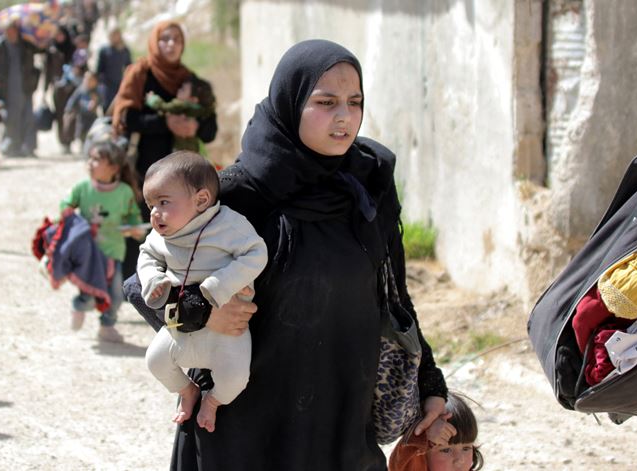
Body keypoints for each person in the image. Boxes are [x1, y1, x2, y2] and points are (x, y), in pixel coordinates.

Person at [124, 39, 448, 470]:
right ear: (290, 102)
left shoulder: (368, 187)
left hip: (340, 422)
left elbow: (393, 296)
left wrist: (430, 382)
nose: (344, 116)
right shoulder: (240, 195)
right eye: (325, 101)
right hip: (244, 428)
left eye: (354, 102)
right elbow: (139, 283)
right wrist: (200, 314)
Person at [139, 151, 267, 433]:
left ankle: (212, 402)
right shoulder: (161, 236)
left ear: (201, 200)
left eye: (163, 202)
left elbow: (256, 254)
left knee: (235, 379)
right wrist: (152, 281)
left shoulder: (228, 226)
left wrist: (218, 285)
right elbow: (146, 255)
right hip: (180, 326)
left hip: (227, 329)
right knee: (155, 361)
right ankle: (187, 392)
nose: (154, 213)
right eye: (150, 205)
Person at [110, 20, 218, 279]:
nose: (171, 45)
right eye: (164, 39)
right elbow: (125, 119)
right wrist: (165, 122)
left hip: (182, 175)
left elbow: (210, 130)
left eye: (176, 40)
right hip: (143, 169)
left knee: (180, 225)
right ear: (154, 42)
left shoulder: (191, 81)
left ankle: (170, 282)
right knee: (140, 225)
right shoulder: (140, 75)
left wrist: (193, 127)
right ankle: (132, 283)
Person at [61, 140, 144, 342]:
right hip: (88, 255)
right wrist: (69, 215)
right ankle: (79, 306)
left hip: (113, 252)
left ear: (114, 167)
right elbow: (66, 206)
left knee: (116, 296)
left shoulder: (124, 192)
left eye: (97, 159)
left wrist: (135, 229)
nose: (90, 163)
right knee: (89, 295)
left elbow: (134, 217)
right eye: (89, 158)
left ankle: (107, 326)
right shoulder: (82, 188)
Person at [388, 392, 484, 471]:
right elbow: (405, 452)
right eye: (446, 450)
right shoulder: (415, 466)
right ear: (422, 453)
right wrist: (424, 434)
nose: (459, 460)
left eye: (466, 448)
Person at [0, 19, 39, 157]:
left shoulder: (25, 45)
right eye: (7, 31)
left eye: (12, 31)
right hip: (7, 89)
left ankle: (29, 147)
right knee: (11, 119)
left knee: (28, 116)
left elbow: (39, 49)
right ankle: (12, 146)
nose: (10, 34)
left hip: (25, 86)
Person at [65, 70, 104, 148]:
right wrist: (69, 110)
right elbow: (73, 100)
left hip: (93, 116)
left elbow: (101, 101)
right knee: (81, 132)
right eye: (86, 79)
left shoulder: (97, 91)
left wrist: (96, 102)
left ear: (95, 82)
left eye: (91, 80)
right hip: (82, 116)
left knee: (93, 132)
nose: (88, 82)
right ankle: (82, 144)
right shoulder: (81, 90)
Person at [95, 26, 131, 111]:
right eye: (112, 35)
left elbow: (129, 66)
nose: (114, 37)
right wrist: (100, 83)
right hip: (107, 85)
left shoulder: (125, 50)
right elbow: (99, 69)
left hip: (120, 83)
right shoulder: (104, 50)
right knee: (107, 107)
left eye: (116, 35)